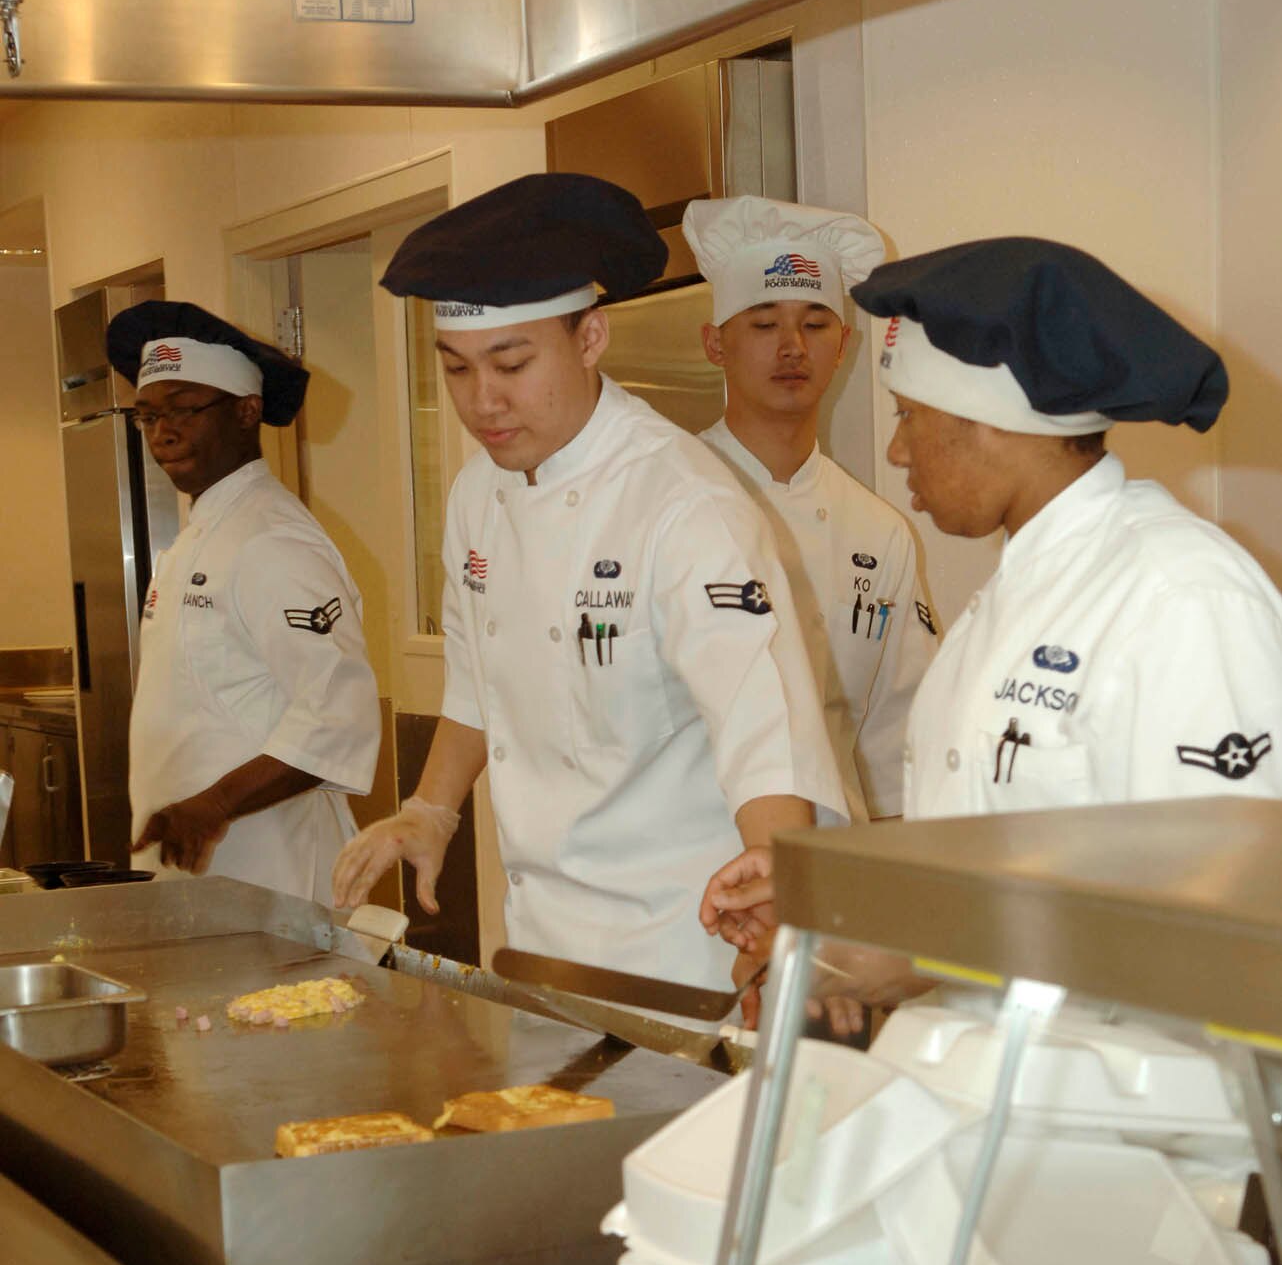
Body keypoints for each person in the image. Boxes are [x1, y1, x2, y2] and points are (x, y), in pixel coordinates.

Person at [701, 235, 1282, 1008]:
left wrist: (926, 957)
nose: (897, 449)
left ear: (987, 425)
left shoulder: (1182, 597)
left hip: (1124, 1109)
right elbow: (1002, 851)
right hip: (989, 1082)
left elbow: (1236, 921)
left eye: (910, 417)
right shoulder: (1012, 603)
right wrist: (830, 893)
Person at [332, 173, 844, 993]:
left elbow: (763, 724)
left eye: (511, 362)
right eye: (457, 370)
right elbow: (478, 676)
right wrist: (431, 809)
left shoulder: (683, 503)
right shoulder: (479, 492)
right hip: (539, 940)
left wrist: (776, 885)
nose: (483, 402)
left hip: (682, 952)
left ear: (591, 338)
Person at [106, 302, 381, 903]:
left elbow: (338, 712)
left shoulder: (272, 539)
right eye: (147, 416)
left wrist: (215, 805)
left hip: (269, 871)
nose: (162, 434)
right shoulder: (203, 531)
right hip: (200, 870)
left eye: (182, 410)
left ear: (246, 411)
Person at [684, 195, 937, 824]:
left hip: (829, 872)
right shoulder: (666, 499)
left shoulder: (878, 533)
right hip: (684, 877)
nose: (793, 346)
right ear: (716, 344)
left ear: (845, 344)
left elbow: (894, 746)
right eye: (764, 324)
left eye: (816, 324)